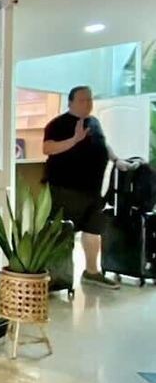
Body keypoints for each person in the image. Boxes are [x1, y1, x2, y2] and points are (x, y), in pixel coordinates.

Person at [43, 85, 138, 289]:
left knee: (93, 230)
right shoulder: (58, 124)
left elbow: (103, 144)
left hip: (93, 189)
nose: (88, 103)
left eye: (90, 99)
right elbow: (47, 148)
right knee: (63, 232)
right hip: (66, 189)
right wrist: (74, 140)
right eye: (82, 100)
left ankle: (92, 272)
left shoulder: (94, 122)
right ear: (71, 103)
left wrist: (116, 160)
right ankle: (57, 278)